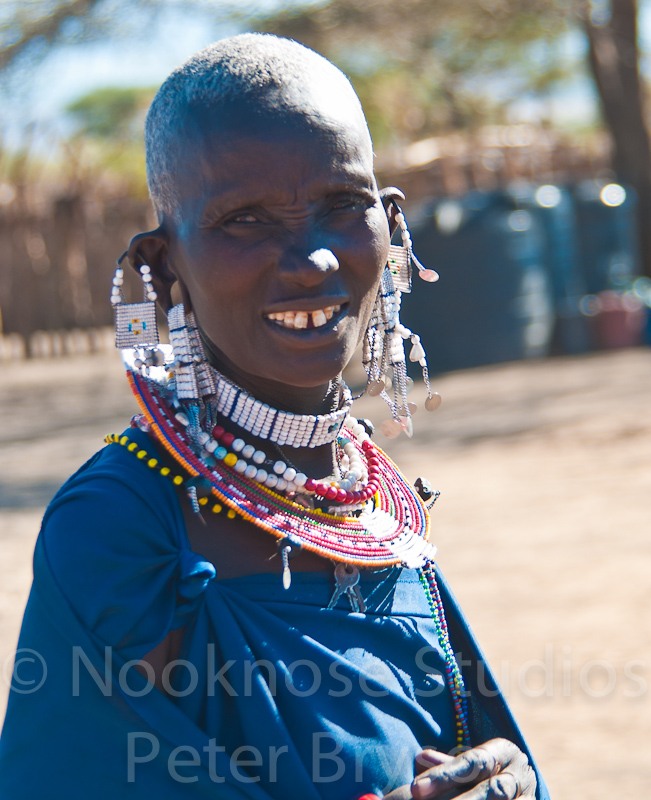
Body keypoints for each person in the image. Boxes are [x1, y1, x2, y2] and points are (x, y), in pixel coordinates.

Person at [0, 34, 548, 799]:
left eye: (341, 205)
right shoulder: (124, 528)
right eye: (246, 220)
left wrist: (505, 781)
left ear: (390, 226)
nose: (313, 260)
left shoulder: (374, 502)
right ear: (163, 269)